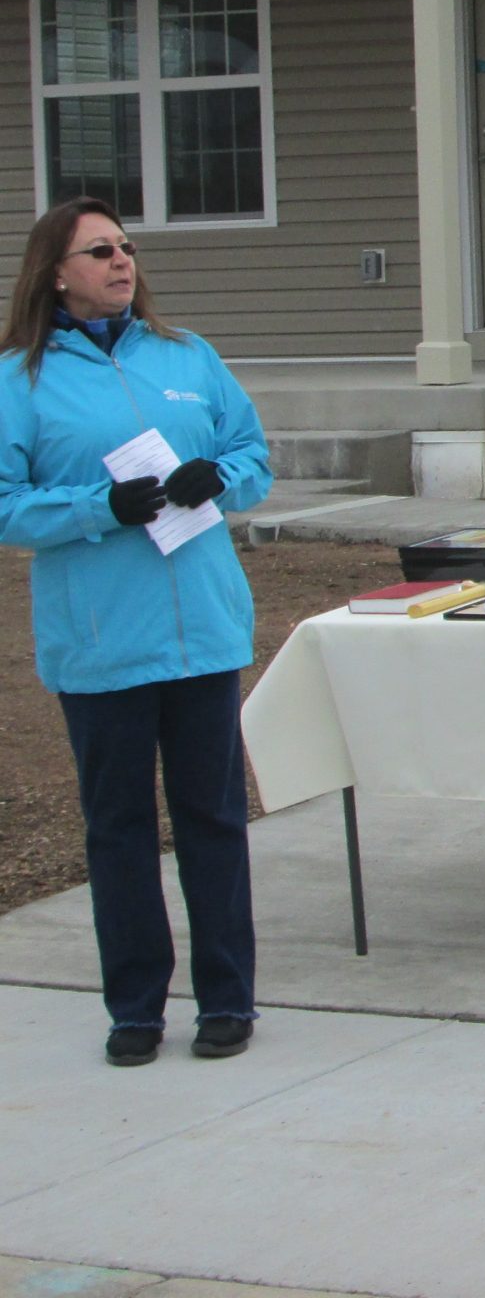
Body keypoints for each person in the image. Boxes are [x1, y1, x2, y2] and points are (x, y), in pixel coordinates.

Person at [0, 198, 273, 1066]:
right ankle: (136, 1010)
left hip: (202, 638)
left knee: (213, 820)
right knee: (118, 831)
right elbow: (6, 506)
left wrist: (215, 477)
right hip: (104, 646)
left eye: (126, 247)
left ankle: (228, 1000)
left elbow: (254, 459)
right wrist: (97, 508)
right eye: (99, 250)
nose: (122, 261)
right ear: (56, 273)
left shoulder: (188, 357)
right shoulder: (21, 380)